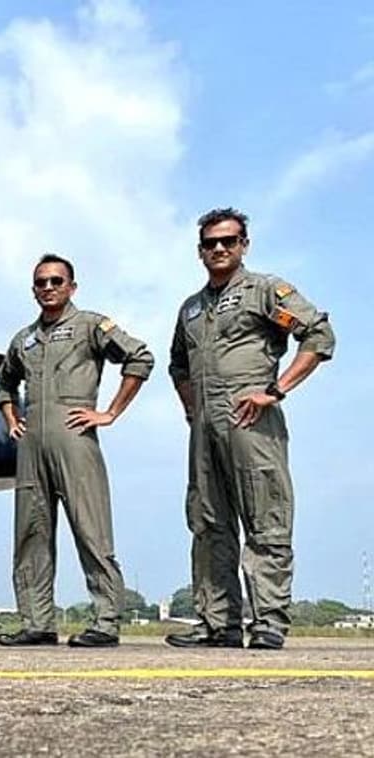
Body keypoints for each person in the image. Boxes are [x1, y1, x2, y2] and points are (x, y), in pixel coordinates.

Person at [165, 208, 335, 651]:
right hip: (204, 426)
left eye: (229, 240)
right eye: (210, 243)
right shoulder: (191, 308)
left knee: (266, 517)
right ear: (199, 250)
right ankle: (218, 623)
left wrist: (275, 390)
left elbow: (318, 335)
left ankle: (268, 622)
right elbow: (177, 364)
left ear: (244, 244)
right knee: (208, 522)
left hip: (250, 418)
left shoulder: (264, 291)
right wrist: (192, 410)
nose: (219, 248)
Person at [0, 254, 154, 648]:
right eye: (42, 283)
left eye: (56, 281)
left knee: (91, 529)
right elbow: (4, 384)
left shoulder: (90, 326)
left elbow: (140, 357)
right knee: (31, 533)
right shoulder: (23, 339)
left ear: (72, 287)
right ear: (34, 289)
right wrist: (11, 418)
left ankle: (105, 620)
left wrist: (110, 412)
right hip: (31, 444)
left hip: (75, 435)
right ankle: (37, 621)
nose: (49, 288)